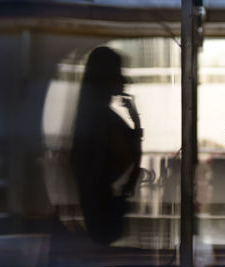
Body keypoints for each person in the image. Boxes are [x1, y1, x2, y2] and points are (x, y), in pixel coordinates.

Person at [71, 46, 142, 245]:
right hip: (106, 212)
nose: (124, 80)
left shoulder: (90, 116)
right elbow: (130, 160)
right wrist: (136, 125)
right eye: (118, 73)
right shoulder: (105, 119)